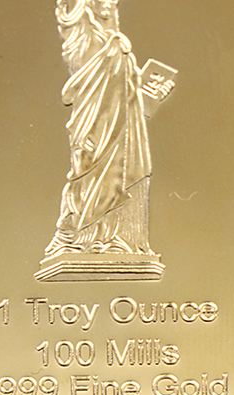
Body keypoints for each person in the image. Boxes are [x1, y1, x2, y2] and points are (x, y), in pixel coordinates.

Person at [45, 0, 160, 259]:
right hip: (92, 120)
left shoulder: (117, 47)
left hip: (124, 127)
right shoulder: (84, 30)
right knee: (90, 164)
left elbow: (127, 98)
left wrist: (150, 93)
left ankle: (118, 238)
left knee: (122, 168)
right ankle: (84, 235)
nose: (109, 5)